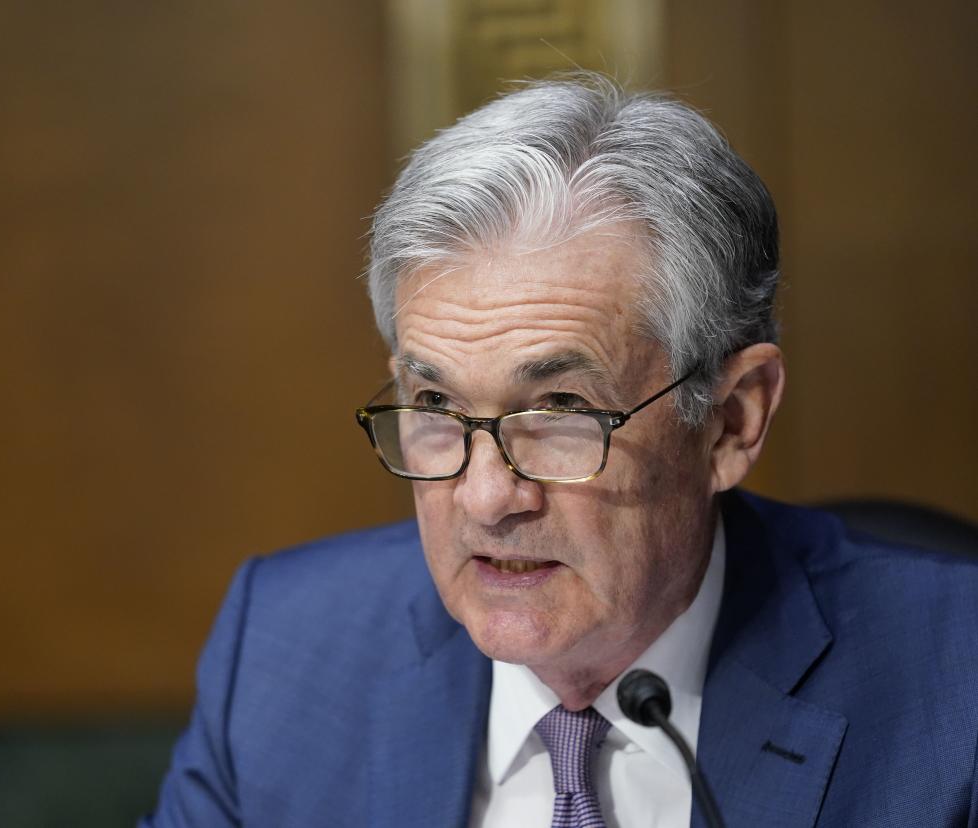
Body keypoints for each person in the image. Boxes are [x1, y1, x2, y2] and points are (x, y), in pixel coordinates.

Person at [146, 73, 978, 827]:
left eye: (559, 409)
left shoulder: (953, 688)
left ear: (730, 422)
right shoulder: (286, 653)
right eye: (434, 403)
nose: (485, 498)